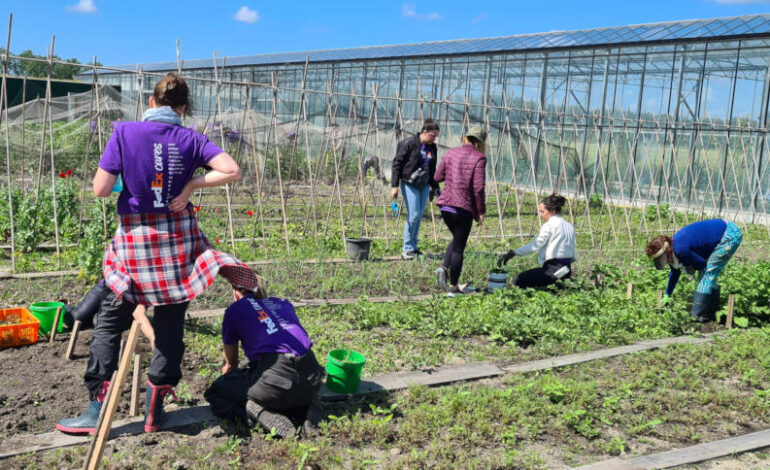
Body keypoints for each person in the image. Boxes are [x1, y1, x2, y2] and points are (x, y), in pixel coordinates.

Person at [56, 72, 259, 435]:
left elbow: (101, 189)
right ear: (182, 108)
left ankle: (97, 409)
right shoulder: (192, 138)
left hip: (136, 241)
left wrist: (129, 178)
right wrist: (192, 183)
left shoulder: (124, 132)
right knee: (170, 323)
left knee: (110, 318)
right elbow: (232, 170)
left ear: (151, 102)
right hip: (178, 242)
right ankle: (154, 411)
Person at [204, 278, 325, 438]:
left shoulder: (235, 310)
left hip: (276, 378)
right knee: (293, 387)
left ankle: (256, 412)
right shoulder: (283, 303)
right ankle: (310, 408)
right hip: (312, 375)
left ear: (235, 291)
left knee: (216, 392)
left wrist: (231, 386)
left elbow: (231, 365)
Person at [646, 219, 742, 323]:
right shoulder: (673, 253)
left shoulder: (680, 250)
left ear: (666, 252)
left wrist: (692, 267)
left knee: (707, 274)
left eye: (660, 258)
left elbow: (702, 264)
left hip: (729, 234)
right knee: (706, 275)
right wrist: (667, 295)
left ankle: (697, 316)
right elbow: (674, 273)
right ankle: (712, 313)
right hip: (719, 234)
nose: (659, 261)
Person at [432, 126, 487, 297]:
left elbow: (437, 177)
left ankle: (443, 269)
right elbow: (478, 188)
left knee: (457, 240)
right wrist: (480, 211)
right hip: (463, 208)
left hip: (446, 206)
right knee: (459, 248)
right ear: (479, 143)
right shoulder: (479, 158)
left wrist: (452, 176)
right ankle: (453, 288)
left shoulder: (451, 153)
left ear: (466, 138)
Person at [497, 194, 576, 289]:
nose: (540, 214)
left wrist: (513, 253)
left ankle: (543, 290)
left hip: (552, 270)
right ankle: (554, 287)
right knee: (552, 288)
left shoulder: (550, 225)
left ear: (552, 211)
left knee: (518, 280)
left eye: (542, 211)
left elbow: (535, 245)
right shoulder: (569, 226)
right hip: (566, 271)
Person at [390, 119, 440, 260]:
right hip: (409, 183)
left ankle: (414, 247)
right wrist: (394, 186)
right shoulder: (409, 144)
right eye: (433, 135)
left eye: (436, 136)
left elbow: (432, 169)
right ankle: (407, 249)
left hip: (423, 184)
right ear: (425, 132)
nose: (434, 139)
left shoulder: (432, 148)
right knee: (413, 215)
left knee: (418, 217)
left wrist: (435, 187)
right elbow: (397, 164)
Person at [59, 280, 155, 347]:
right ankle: (63, 304)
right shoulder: (138, 275)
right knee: (75, 319)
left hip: (122, 304)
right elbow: (138, 312)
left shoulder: (154, 285)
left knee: (99, 323)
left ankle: (97, 312)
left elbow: (138, 310)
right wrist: (153, 337)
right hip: (104, 290)